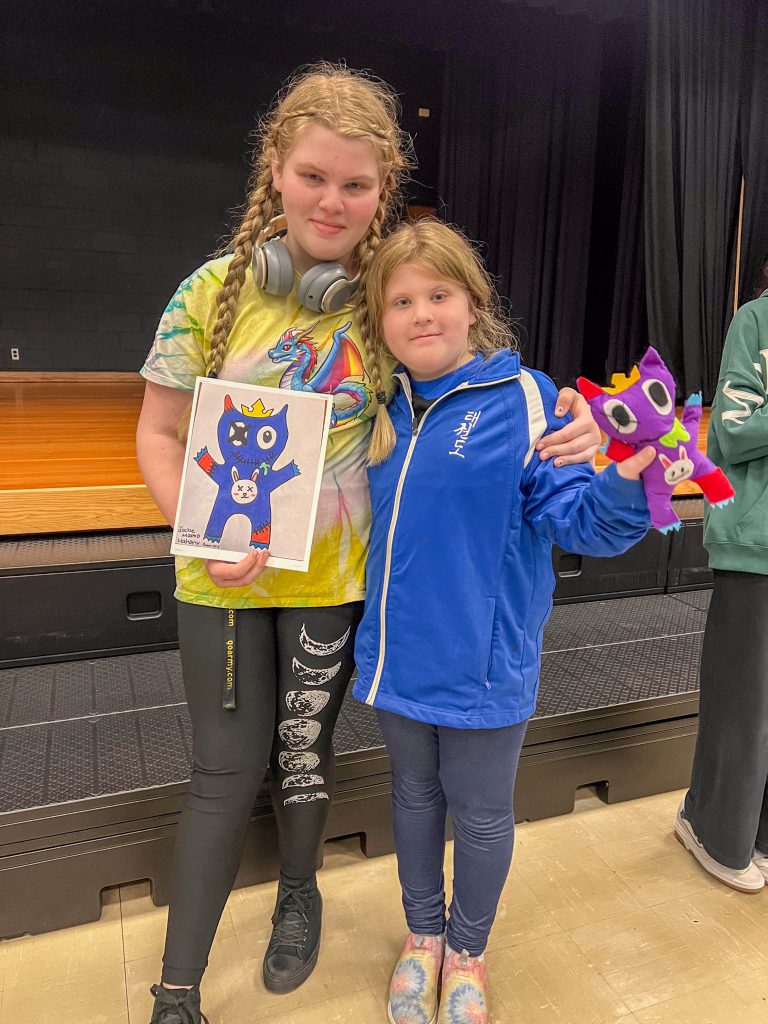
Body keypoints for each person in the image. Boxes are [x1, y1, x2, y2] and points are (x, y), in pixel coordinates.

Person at [136, 65, 602, 1024]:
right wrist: (199, 529)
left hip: (331, 584)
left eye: (356, 185)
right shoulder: (208, 292)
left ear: (383, 192)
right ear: (275, 169)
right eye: (313, 176)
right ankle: (176, 987)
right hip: (220, 583)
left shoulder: (387, 303)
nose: (332, 200)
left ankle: (299, 896)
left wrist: (570, 412)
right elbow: (158, 433)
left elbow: (467, 382)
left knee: (304, 754)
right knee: (224, 772)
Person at [352, 219, 653, 1024]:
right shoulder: (378, 408)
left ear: (473, 302)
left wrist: (626, 473)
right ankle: (422, 940)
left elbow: (584, 524)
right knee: (414, 797)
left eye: (437, 295)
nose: (420, 314)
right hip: (395, 662)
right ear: (380, 318)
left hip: (485, 667)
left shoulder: (526, 401)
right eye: (402, 300)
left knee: (480, 813)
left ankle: (467, 951)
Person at [675, 262, 768, 893]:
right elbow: (732, 432)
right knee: (745, 706)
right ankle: (719, 834)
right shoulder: (756, 319)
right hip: (757, 545)